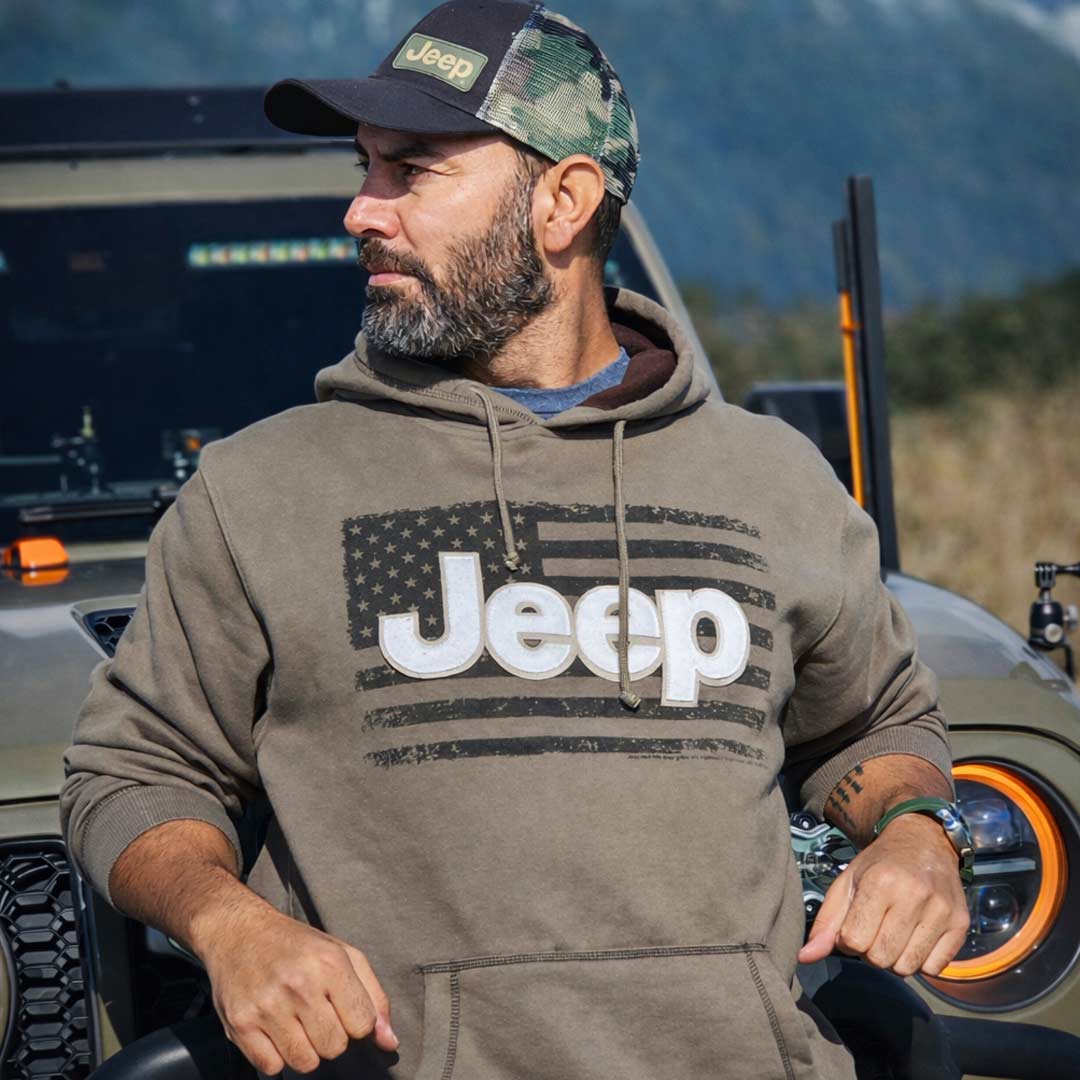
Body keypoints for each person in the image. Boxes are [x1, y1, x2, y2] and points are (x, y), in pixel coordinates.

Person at [60, 2, 971, 1077]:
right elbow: (130, 773)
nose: (361, 209)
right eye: (365, 166)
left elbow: (871, 727)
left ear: (564, 201)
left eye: (412, 170)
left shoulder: (772, 484)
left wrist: (916, 833)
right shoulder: (259, 493)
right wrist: (229, 925)